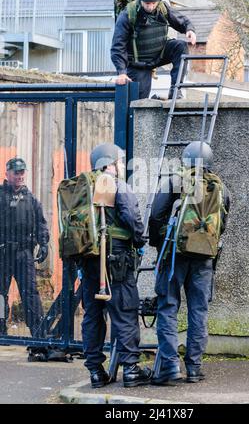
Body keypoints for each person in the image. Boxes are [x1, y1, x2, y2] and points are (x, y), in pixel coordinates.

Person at [149, 142, 230, 385]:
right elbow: (222, 224)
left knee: (168, 306)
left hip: (174, 254)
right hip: (205, 257)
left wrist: (159, 242)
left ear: (185, 160)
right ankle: (194, 367)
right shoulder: (220, 187)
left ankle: (171, 365)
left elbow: (155, 215)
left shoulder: (176, 180)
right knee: (198, 310)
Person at [80, 143, 151, 389]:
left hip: (89, 260)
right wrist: (140, 240)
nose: (122, 166)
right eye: (120, 162)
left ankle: (96, 372)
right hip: (116, 259)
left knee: (92, 315)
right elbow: (132, 216)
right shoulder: (116, 185)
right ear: (109, 164)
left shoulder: (83, 189)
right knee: (125, 310)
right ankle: (131, 369)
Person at [111, 0, 196, 100]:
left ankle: (175, 90)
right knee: (139, 103)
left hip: (158, 54)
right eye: (147, 3)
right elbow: (118, 46)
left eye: (153, 3)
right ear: (140, 0)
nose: (150, 7)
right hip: (138, 64)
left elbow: (180, 20)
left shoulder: (162, 8)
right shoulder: (128, 15)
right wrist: (122, 72)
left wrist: (189, 29)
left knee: (180, 46)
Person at [0, 157, 49, 337]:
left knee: (30, 294)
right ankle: (0, 331)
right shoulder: (0, 196)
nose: (20, 176)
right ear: (7, 174)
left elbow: (41, 224)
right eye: (16, 172)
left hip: (24, 254)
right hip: (3, 253)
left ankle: (38, 333)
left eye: (22, 172)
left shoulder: (31, 200)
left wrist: (43, 243)